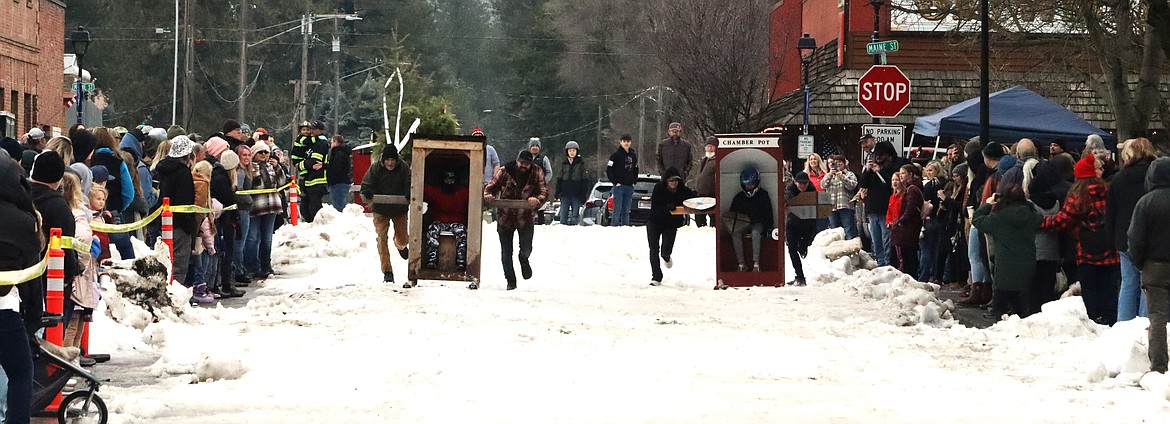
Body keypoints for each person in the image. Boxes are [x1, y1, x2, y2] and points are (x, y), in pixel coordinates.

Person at [1041, 154, 1120, 325]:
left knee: (1089, 288)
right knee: (1109, 287)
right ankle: (1111, 320)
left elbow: (1062, 221)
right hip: (1110, 249)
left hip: (1085, 251)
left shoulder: (1077, 196)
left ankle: (1093, 320)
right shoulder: (1109, 191)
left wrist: (1041, 222)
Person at [0, 151, 40, 424]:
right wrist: (34, 318)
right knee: (21, 372)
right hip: (5, 309)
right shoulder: (24, 220)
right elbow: (30, 274)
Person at [1127, 156, 1170, 373]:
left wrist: (1138, 261)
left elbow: (1135, 238)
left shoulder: (1146, 202)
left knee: (1158, 319)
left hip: (1154, 266)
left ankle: (1159, 366)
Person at [973, 184, 1043, 319]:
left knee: (1001, 296)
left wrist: (988, 204)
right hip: (1027, 262)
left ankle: (998, 313)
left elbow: (977, 219)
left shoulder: (998, 217)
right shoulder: (1031, 215)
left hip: (1005, 264)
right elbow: (1039, 218)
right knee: (1022, 300)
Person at [1108, 138, 1157, 322]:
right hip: (1150, 238)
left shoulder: (1119, 178)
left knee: (1128, 283)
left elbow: (1110, 212)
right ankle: (1145, 323)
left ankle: (1124, 323)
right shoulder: (1154, 176)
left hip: (1123, 237)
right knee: (1148, 285)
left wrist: (1111, 239)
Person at [484, 151, 548, 290]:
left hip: (525, 217)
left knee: (526, 249)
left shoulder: (537, 172)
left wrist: (537, 199)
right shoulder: (504, 171)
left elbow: (544, 192)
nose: (524, 166)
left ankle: (524, 260)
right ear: (517, 161)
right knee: (506, 253)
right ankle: (511, 281)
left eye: (527, 164)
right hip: (505, 217)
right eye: (521, 163)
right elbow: (490, 187)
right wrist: (489, 195)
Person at [360, 147, 411, 285]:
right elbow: (365, 184)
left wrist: (408, 192)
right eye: (387, 160)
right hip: (380, 209)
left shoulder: (404, 167)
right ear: (383, 160)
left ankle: (400, 246)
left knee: (403, 238)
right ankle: (387, 271)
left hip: (399, 209)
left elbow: (409, 183)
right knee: (381, 239)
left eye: (392, 160)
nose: (390, 163)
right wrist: (368, 191)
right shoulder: (375, 168)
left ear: (396, 160)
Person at [154, 136, 198, 287]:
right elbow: (184, 201)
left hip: (164, 220)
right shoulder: (183, 173)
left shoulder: (163, 170)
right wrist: (189, 227)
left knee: (167, 262)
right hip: (179, 224)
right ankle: (176, 295)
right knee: (179, 263)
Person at [646, 167, 695, 286]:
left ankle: (666, 257)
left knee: (666, 249)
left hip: (671, 224)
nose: (674, 183)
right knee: (653, 250)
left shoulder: (682, 190)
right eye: (671, 181)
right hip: (655, 222)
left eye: (676, 181)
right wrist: (667, 207)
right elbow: (655, 206)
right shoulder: (659, 188)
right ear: (666, 181)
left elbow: (693, 197)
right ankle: (656, 277)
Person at [245, 142, 286, 280]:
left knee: (267, 238)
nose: (263, 155)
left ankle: (265, 266)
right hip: (256, 206)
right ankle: (251, 266)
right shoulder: (250, 167)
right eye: (260, 152)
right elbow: (250, 185)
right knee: (253, 238)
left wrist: (278, 167)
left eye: (266, 152)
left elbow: (281, 183)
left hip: (272, 206)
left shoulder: (271, 167)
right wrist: (255, 173)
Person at [858, 140, 899, 266]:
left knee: (885, 238)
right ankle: (880, 261)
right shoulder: (871, 171)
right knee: (875, 239)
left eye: (881, 155)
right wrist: (868, 170)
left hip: (885, 208)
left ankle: (887, 263)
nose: (878, 158)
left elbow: (889, 185)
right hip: (872, 209)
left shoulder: (891, 169)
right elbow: (863, 184)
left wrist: (879, 171)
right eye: (876, 155)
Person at [423, 170, 470, 274]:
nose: (449, 182)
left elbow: (475, 192)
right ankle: (431, 259)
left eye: (452, 179)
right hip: (439, 220)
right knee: (432, 230)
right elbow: (424, 189)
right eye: (447, 179)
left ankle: (461, 261)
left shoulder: (462, 192)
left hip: (457, 221)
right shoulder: (437, 191)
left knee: (462, 232)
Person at [729, 167, 775, 273]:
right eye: (747, 184)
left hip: (758, 223)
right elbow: (732, 215)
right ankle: (741, 264)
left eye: (751, 184)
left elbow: (769, 213)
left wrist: (769, 227)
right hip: (743, 223)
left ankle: (756, 264)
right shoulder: (739, 197)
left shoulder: (763, 195)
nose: (749, 187)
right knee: (735, 234)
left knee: (755, 233)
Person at [890, 165, 925, 276]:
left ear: (910, 174)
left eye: (903, 173)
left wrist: (900, 221)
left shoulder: (912, 189)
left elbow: (911, 208)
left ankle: (910, 278)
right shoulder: (910, 188)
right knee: (907, 256)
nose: (901, 176)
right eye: (900, 173)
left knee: (907, 257)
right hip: (908, 227)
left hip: (908, 229)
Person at [298, 121, 331, 223]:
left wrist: (299, 165)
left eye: (313, 129)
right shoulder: (312, 143)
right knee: (305, 208)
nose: (310, 131)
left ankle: (318, 228)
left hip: (317, 180)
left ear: (319, 131)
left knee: (314, 208)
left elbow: (313, 162)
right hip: (308, 180)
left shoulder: (321, 144)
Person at [606, 134, 639, 226]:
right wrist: (615, 182)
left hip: (629, 186)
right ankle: (615, 227)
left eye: (628, 141)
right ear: (620, 142)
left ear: (630, 142)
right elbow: (609, 169)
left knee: (626, 210)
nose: (626, 143)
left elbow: (636, 169)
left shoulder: (633, 155)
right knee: (617, 209)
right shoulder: (615, 155)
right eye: (624, 141)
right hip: (619, 187)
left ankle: (625, 227)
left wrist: (634, 181)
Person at [823, 154, 858, 240]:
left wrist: (842, 176)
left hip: (845, 206)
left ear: (844, 163)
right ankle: (838, 251)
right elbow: (823, 185)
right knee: (835, 232)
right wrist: (830, 175)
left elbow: (852, 185)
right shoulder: (829, 175)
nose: (837, 164)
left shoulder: (850, 174)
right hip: (832, 207)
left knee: (848, 231)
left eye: (839, 162)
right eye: (835, 162)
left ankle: (849, 251)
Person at [555, 141, 588, 226]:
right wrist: (557, 192)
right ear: (567, 152)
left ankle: (573, 230)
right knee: (563, 215)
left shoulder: (581, 163)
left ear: (577, 151)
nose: (572, 152)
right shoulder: (564, 163)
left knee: (575, 215)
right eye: (570, 150)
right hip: (565, 193)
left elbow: (585, 180)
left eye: (574, 150)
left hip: (576, 193)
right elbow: (559, 179)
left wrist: (583, 194)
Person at [693, 137, 718, 227]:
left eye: (712, 146)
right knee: (699, 218)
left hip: (712, 195)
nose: (709, 149)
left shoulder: (718, 161)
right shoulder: (704, 160)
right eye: (707, 146)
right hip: (701, 194)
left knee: (714, 219)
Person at [327, 135, 353, 212]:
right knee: (340, 203)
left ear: (336, 142)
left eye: (332, 142)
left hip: (338, 183)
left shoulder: (338, 154)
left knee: (338, 206)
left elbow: (336, 168)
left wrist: (330, 175)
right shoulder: (343, 153)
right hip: (342, 182)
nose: (331, 144)